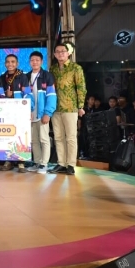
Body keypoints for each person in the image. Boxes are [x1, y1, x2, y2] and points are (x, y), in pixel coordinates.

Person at [49, 43, 87, 176]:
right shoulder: (53, 69)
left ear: (68, 53)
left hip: (70, 107)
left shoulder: (75, 68)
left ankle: (71, 164)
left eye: (63, 51)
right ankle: (61, 163)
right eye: (57, 51)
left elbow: (81, 87)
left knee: (71, 137)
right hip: (55, 108)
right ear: (54, 54)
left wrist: (80, 106)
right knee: (58, 137)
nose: (60, 53)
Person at [23, 52, 56, 174]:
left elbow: (51, 96)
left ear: (42, 62)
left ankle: (44, 164)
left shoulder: (47, 76)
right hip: (30, 114)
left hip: (42, 114)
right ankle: (37, 162)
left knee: (44, 139)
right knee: (34, 140)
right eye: (32, 60)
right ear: (29, 62)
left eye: (37, 60)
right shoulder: (26, 77)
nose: (35, 62)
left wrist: (48, 113)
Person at [0, 54, 32, 173]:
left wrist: (29, 109)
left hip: (20, 110)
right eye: (8, 62)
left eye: (13, 62)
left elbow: (27, 94)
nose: (10, 64)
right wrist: (5, 95)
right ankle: (9, 161)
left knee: (21, 135)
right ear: (5, 64)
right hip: (6, 111)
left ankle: (21, 162)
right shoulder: (2, 77)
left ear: (17, 63)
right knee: (8, 135)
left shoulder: (22, 77)